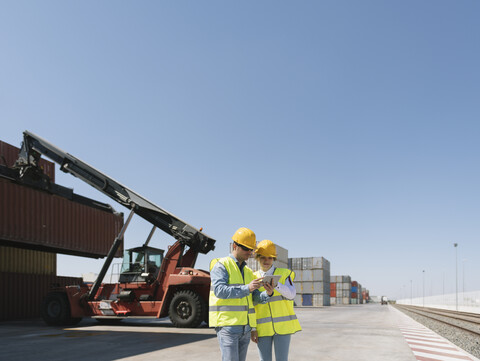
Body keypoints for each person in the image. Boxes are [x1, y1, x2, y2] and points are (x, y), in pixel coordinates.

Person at [209, 227, 275, 361]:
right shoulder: (221, 265)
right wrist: (247, 288)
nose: (249, 252)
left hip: (245, 329)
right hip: (228, 327)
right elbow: (220, 291)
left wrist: (268, 293)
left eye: (251, 249)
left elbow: (254, 298)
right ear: (235, 246)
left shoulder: (248, 272)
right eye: (246, 248)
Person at [251, 240, 302, 361]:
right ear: (257, 258)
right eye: (263, 257)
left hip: (283, 328)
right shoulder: (253, 277)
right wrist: (253, 329)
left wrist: (277, 285)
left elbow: (291, 294)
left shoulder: (284, 274)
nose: (266, 261)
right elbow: (251, 305)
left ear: (274, 258)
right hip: (262, 328)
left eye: (270, 257)